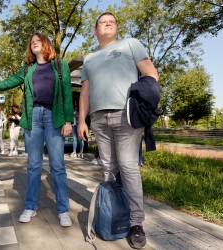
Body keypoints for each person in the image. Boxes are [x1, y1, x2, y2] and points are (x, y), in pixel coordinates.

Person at [0, 32, 73, 227]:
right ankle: (30, 206)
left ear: (46, 44)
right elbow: (4, 84)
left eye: (38, 41)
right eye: (32, 42)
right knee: (33, 165)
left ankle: (63, 210)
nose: (34, 44)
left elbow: (66, 94)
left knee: (57, 166)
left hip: (54, 117)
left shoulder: (60, 65)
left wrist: (67, 121)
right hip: (33, 118)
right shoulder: (27, 69)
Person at [77, 12, 159, 249]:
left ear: (116, 28)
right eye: (102, 22)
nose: (107, 22)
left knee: (128, 167)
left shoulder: (130, 44)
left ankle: (136, 224)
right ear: (95, 31)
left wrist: (145, 99)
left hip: (126, 115)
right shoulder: (90, 58)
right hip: (99, 119)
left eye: (111, 20)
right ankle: (114, 215)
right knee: (109, 169)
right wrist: (82, 121)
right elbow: (85, 93)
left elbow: (150, 73)